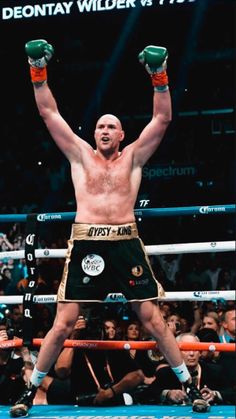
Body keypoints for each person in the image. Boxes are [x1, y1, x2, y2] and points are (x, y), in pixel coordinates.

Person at [10, 39, 209, 417]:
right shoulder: (79, 155)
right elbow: (49, 113)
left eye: (111, 127)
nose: (104, 130)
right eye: (100, 125)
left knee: (151, 318)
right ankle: (27, 391)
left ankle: (190, 385)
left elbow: (162, 119)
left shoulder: (133, 158)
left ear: (120, 136)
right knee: (64, 323)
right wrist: (38, 70)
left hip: (125, 242)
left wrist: (159, 77)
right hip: (86, 244)